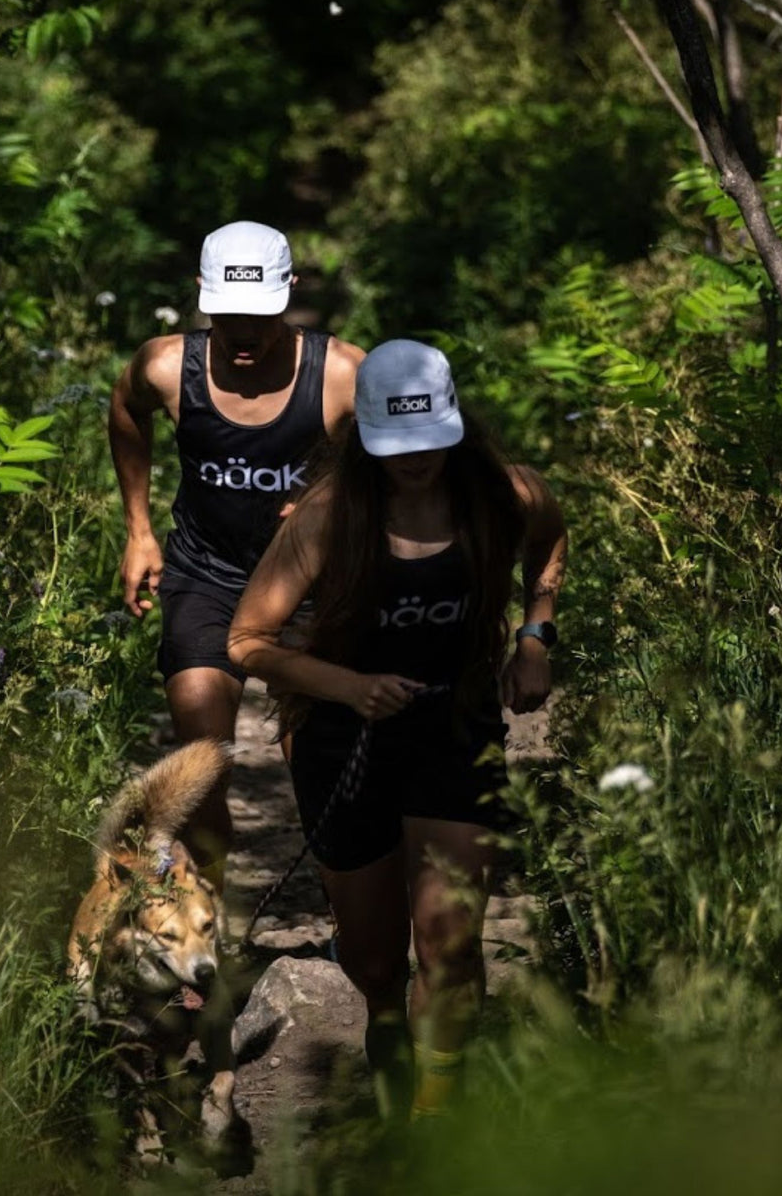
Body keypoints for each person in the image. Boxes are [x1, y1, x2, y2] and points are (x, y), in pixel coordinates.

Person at [226, 339, 567, 1120]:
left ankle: (435, 1123)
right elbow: (246, 642)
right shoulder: (326, 517)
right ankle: (384, 1022)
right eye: (394, 448)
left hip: (457, 726)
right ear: (365, 439)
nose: (413, 462)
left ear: (455, 428)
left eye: (429, 446)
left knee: (449, 943)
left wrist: (534, 639)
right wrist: (350, 686)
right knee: (378, 960)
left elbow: (549, 545)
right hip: (343, 742)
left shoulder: (504, 495)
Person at [109, 220, 364, 890]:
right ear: (202, 295)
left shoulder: (342, 377)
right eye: (227, 316)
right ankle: (206, 935)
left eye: (259, 316)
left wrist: (330, 500)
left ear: (289, 294)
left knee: (315, 767)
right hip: (206, 575)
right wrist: (138, 527)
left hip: (309, 587)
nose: (244, 334)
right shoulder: (166, 367)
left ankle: (351, 926)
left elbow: (405, 464)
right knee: (200, 765)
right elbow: (125, 408)